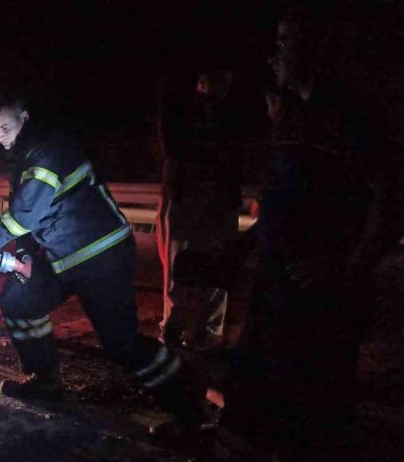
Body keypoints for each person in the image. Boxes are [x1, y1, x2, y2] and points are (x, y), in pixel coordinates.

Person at [191, 7, 391, 459]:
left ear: (317, 48)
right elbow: (286, 200)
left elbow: (387, 201)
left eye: (285, 43)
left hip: (319, 300)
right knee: (251, 401)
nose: (273, 56)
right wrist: (243, 246)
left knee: (311, 414)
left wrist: (345, 266)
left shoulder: (354, 117)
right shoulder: (291, 116)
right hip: (274, 285)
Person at [0, 88, 208, 431]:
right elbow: (26, 215)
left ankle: (189, 401)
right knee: (18, 299)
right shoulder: (24, 155)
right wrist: (24, 255)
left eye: (5, 128)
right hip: (63, 257)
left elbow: (27, 212)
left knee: (121, 343)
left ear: (24, 118)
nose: (0, 137)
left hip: (100, 254)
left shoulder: (47, 149)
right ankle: (45, 382)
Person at [155, 65, 246, 351]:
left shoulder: (230, 113)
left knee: (211, 267)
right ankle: (179, 327)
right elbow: (173, 152)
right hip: (190, 196)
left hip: (213, 198)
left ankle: (200, 330)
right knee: (182, 265)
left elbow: (238, 156)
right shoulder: (184, 110)